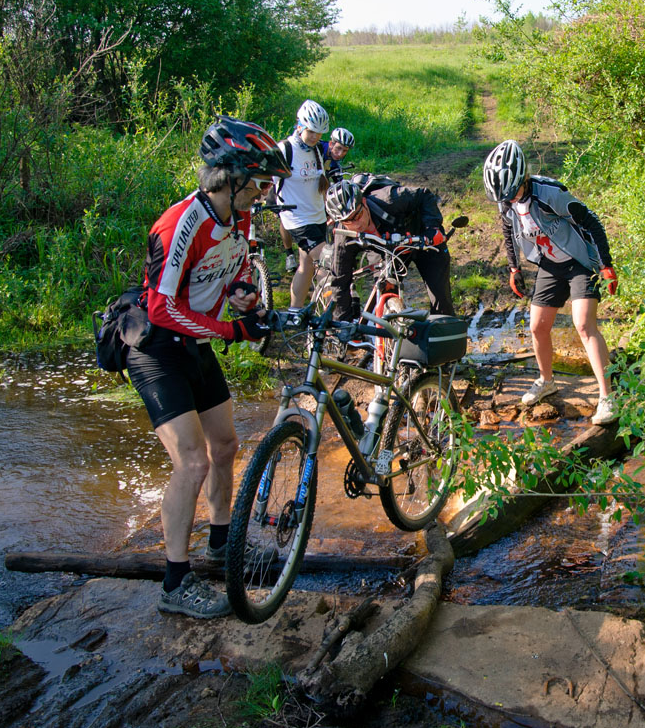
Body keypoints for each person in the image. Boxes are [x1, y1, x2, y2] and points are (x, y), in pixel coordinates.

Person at [129, 116, 290, 618]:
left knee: (225, 446)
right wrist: (229, 330)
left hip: (194, 343)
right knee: (193, 462)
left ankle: (220, 547)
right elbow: (161, 308)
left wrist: (244, 299)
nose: (264, 192)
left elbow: (234, 272)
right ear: (231, 177)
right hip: (157, 349)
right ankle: (175, 583)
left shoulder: (239, 218)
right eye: (258, 182)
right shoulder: (181, 222)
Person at [483, 139, 619, 426]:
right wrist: (513, 268)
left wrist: (605, 264)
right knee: (537, 326)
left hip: (580, 261)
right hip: (550, 264)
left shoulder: (550, 194)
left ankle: (608, 397)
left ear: (522, 178)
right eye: (503, 198)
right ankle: (546, 381)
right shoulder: (506, 202)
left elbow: (592, 221)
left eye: (510, 194)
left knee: (584, 325)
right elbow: (508, 230)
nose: (508, 201)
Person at [324, 176, 454, 322]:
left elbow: (424, 194)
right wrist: (343, 325)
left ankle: (445, 329)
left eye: (358, 215)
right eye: (348, 221)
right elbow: (340, 281)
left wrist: (432, 228)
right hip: (385, 248)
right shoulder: (344, 235)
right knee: (385, 289)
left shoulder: (391, 199)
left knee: (440, 298)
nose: (356, 224)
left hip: (422, 239)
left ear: (364, 202)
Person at [273, 99, 331, 307]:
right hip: (297, 219)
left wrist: (329, 210)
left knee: (306, 266)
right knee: (329, 266)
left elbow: (320, 183)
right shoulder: (284, 150)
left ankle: (294, 312)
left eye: (319, 133)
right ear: (300, 126)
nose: (315, 136)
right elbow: (264, 180)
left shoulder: (317, 149)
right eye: (311, 131)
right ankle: (337, 314)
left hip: (317, 215)